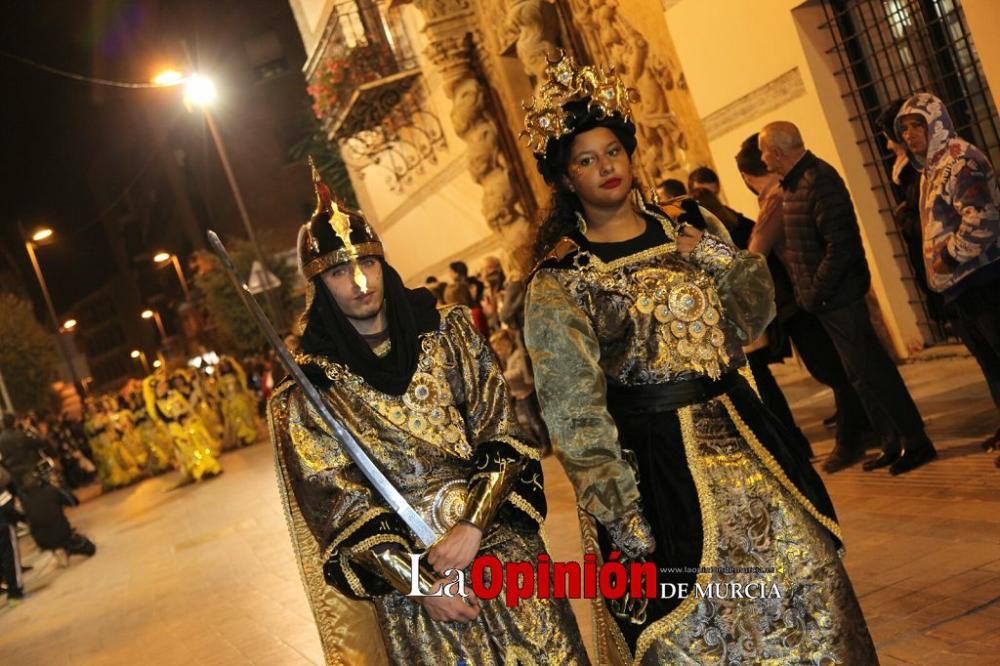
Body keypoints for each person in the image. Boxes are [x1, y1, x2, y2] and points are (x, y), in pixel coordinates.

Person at [522, 53, 875, 664]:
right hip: (660, 463)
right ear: (566, 178)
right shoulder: (562, 278)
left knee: (807, 577)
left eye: (613, 151)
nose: (606, 167)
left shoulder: (686, 222)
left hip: (745, 432)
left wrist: (715, 258)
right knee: (702, 619)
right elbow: (571, 407)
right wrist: (618, 507)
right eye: (586, 160)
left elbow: (750, 316)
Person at [267, 164, 586, 664]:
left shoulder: (449, 335)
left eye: (367, 264)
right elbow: (340, 508)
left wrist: (472, 527)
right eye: (337, 271)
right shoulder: (311, 393)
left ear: (383, 265)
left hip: (500, 546)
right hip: (415, 585)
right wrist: (418, 582)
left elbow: (502, 433)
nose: (358, 282)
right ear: (318, 285)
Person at [759, 120, 937, 475]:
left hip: (840, 295)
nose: (763, 160)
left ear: (778, 152)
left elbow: (839, 246)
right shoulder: (794, 184)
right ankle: (891, 441)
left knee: (874, 371)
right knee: (859, 377)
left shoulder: (818, 179)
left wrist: (814, 290)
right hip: (825, 299)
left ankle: (915, 441)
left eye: (764, 152)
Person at [736, 132, 875, 470]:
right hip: (811, 294)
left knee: (837, 370)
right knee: (844, 369)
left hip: (809, 298)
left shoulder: (777, 198)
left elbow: (757, 252)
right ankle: (869, 428)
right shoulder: (786, 191)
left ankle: (853, 438)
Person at [895, 93, 1000, 457]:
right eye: (904, 128)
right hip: (962, 288)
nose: (909, 134)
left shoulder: (960, 160)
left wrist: (948, 259)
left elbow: (982, 218)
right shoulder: (931, 167)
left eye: (917, 125)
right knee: (991, 363)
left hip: (984, 279)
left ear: (936, 122)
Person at [0, 413, 96, 564]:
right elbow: (41, 442)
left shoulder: (2, 440)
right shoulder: (21, 435)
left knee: (34, 511)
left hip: (19, 481)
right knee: (51, 505)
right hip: (32, 473)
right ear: (14, 422)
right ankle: (64, 543)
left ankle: (56, 549)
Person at [144, 371, 222, 484]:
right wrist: (177, 420)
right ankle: (200, 471)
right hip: (176, 430)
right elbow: (165, 419)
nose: (164, 387)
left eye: (164, 385)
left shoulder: (174, 394)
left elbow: (186, 406)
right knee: (189, 452)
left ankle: (211, 467)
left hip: (188, 424)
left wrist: (190, 417)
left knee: (198, 446)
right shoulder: (157, 404)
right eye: (161, 386)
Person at [216, 356, 258, 448]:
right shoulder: (221, 379)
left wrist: (248, 395)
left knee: (245, 417)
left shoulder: (237, 375)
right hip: (230, 402)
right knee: (235, 421)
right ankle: (241, 438)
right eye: (222, 366)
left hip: (240, 399)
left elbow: (244, 386)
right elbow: (220, 392)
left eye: (226, 365)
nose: (225, 368)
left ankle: (250, 436)